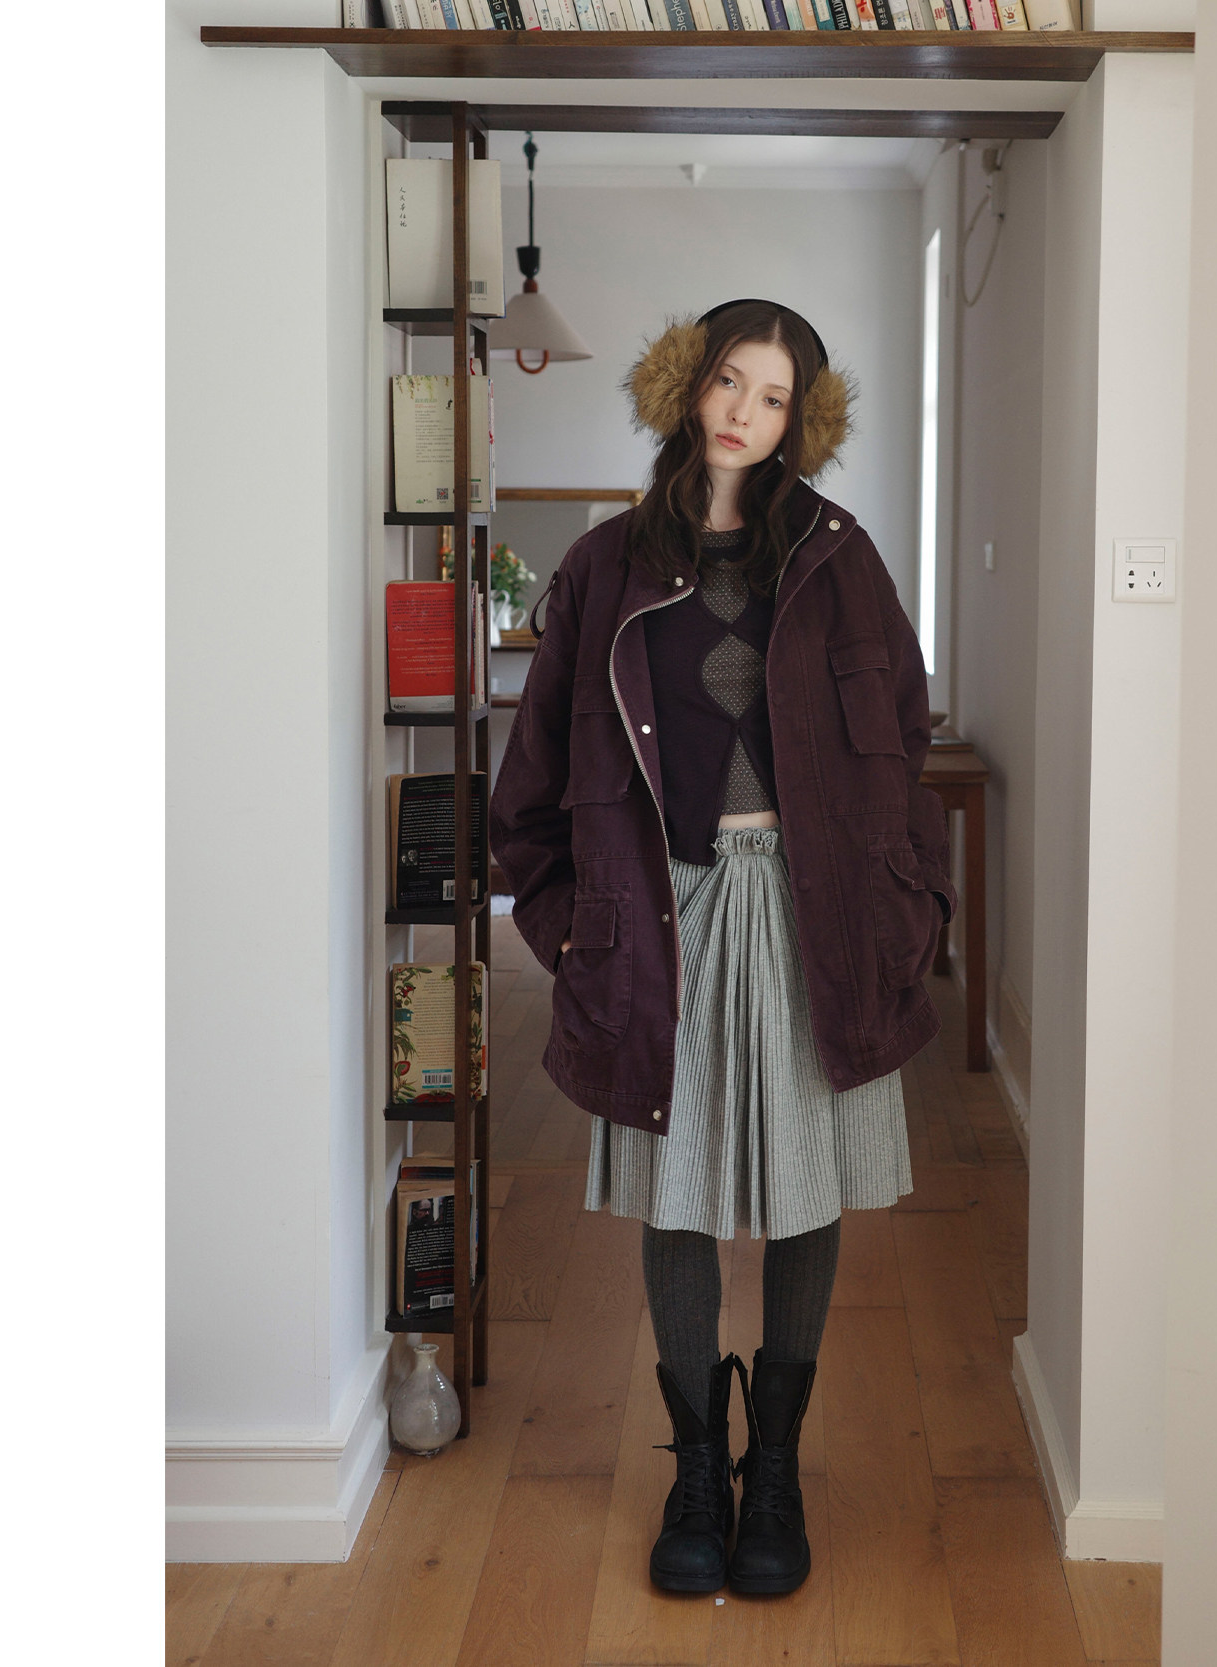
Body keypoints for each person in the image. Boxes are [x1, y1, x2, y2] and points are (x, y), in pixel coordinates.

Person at [490, 298, 957, 1597]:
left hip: (816, 916)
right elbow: (529, 789)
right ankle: (698, 1465)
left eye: (775, 393)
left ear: (801, 419)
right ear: (687, 387)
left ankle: (778, 1468)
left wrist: (912, 904)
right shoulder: (602, 567)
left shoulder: (842, 559)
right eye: (729, 381)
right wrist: (571, 928)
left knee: (805, 1189)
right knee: (676, 1190)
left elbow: (904, 748)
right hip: (662, 913)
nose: (745, 411)